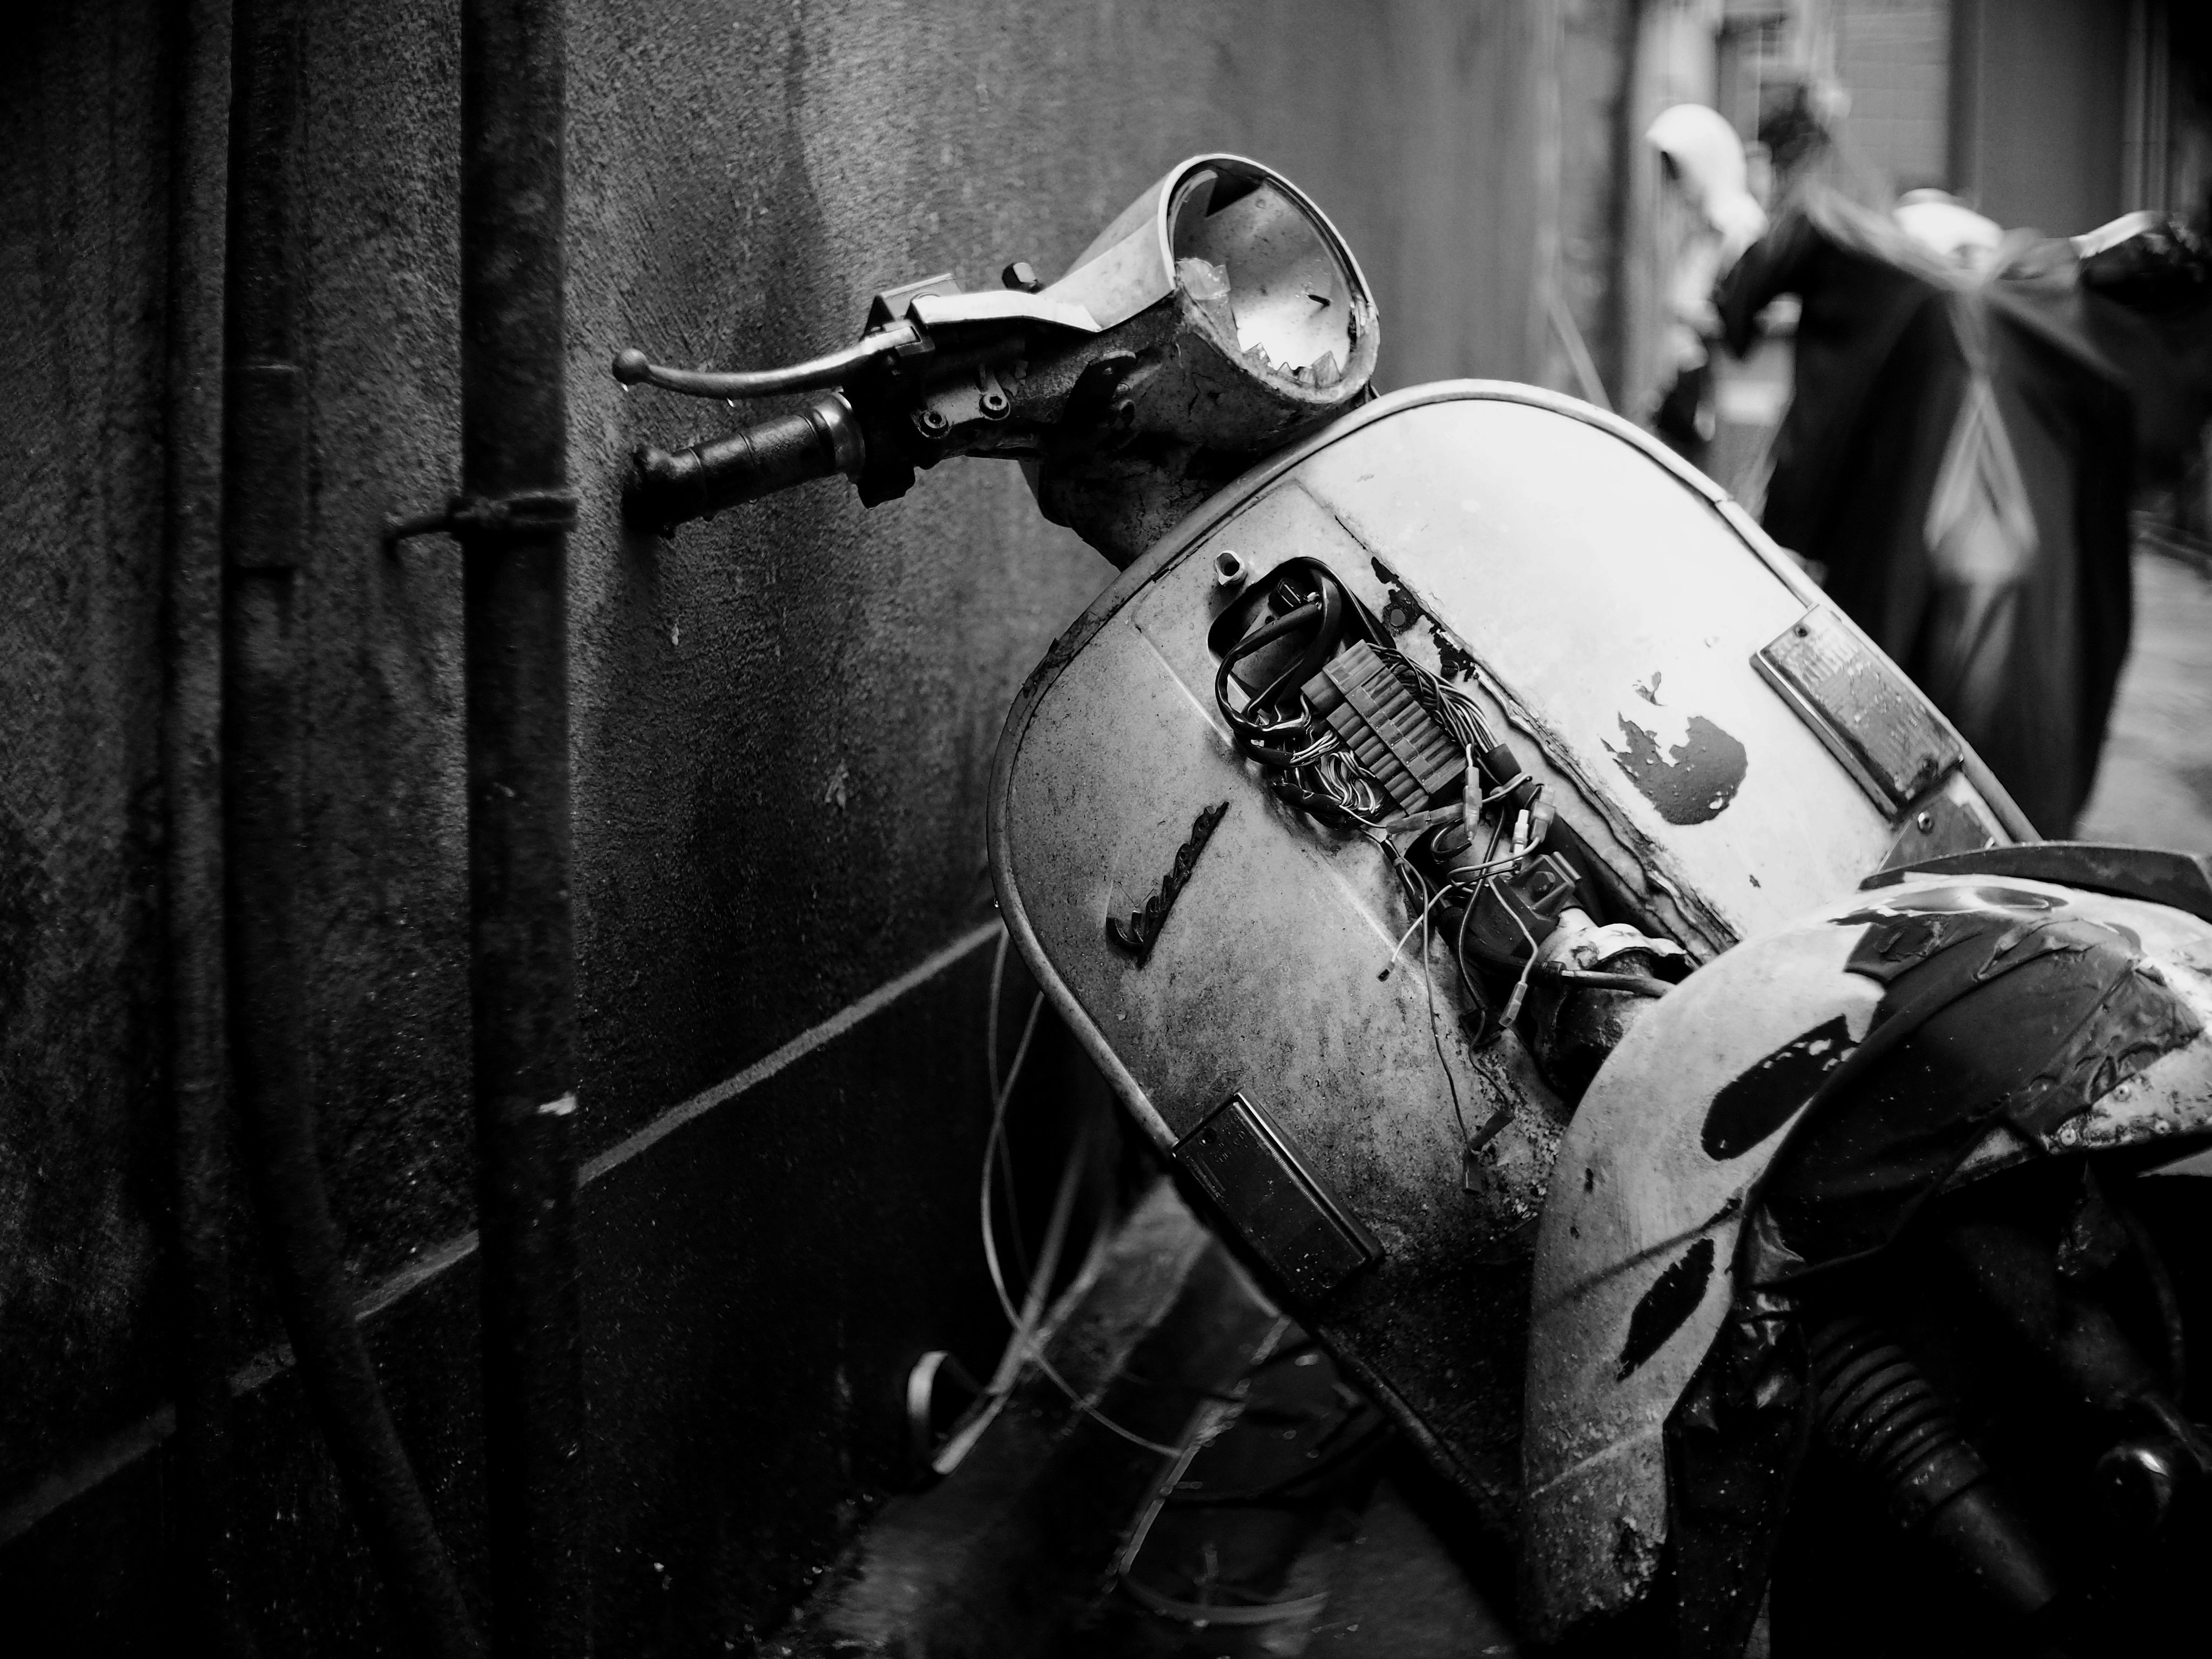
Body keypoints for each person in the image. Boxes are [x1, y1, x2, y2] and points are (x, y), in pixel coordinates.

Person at [1643, 104, 1767, 468]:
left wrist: (1699, 322)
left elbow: (1746, 316)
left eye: (1678, 168)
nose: (1672, 180)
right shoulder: (1699, 224)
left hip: (1717, 389)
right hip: (1686, 380)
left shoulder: (1740, 226)